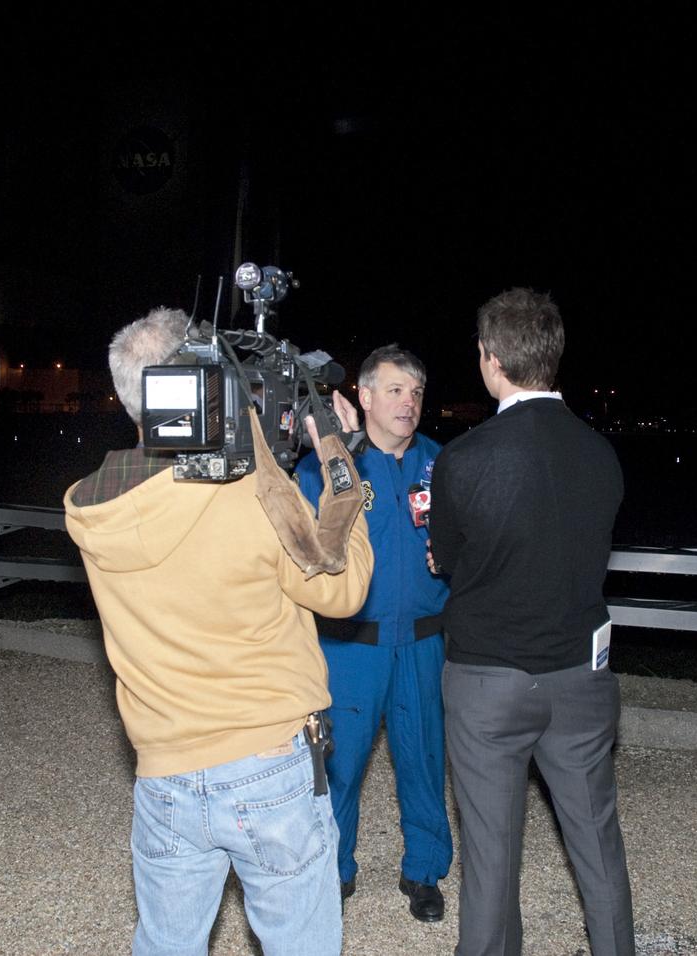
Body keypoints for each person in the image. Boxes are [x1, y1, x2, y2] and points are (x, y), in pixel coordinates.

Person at [64, 307, 374, 956]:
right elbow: (342, 591)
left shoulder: (91, 504)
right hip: (268, 768)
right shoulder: (252, 496)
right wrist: (340, 459)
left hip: (164, 773)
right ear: (207, 384)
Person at [428, 289, 635, 955]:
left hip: (490, 680)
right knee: (598, 845)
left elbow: (450, 559)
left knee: (491, 860)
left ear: (491, 360)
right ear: (553, 357)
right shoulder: (601, 455)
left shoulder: (465, 459)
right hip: (580, 677)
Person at [294, 344, 454, 922]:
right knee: (336, 766)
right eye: (393, 390)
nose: (407, 403)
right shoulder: (324, 467)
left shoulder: (443, 463)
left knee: (424, 758)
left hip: (422, 641)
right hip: (349, 645)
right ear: (362, 397)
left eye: (415, 392)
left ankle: (425, 871)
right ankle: (332, 873)